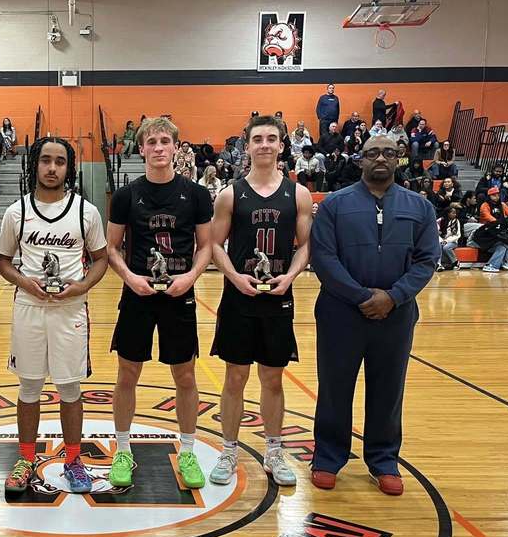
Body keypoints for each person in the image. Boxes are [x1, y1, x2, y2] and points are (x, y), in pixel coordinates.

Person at [309, 135, 438, 496]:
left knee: (388, 389)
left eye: (388, 153)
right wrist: (363, 296)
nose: (380, 158)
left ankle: (384, 461)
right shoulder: (335, 204)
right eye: (372, 153)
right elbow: (324, 258)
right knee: (335, 387)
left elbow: (427, 259)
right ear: (360, 160)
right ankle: (328, 457)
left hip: (395, 315)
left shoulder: (420, 207)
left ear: (399, 159)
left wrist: (393, 297)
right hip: (340, 313)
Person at [105, 116, 214, 490]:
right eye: (151, 142)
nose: (158, 148)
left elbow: (206, 247)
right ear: (142, 149)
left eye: (164, 141)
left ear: (175, 147)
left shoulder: (196, 194)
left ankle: (187, 450)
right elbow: (111, 249)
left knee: (185, 376)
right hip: (137, 294)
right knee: (127, 374)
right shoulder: (125, 195)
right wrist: (131, 278)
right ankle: (123, 449)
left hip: (178, 295)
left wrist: (190, 278)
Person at [0, 137, 108, 494]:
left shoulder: (85, 211)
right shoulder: (18, 212)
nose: (52, 167)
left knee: (69, 387)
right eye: (45, 160)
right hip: (29, 307)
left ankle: (74, 461)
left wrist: (82, 286)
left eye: (59, 161)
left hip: (70, 308)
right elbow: (1, 260)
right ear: (35, 164)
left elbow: (102, 258)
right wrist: (24, 282)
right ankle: (26, 459)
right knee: (29, 386)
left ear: (69, 168)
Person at [209, 115, 313, 488]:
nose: (265, 144)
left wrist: (291, 276)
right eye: (258, 139)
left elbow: (306, 246)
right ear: (248, 146)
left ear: (282, 145)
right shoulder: (230, 194)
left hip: (278, 298)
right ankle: (229, 451)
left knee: (272, 378)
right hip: (239, 298)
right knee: (234, 377)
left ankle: (273, 451)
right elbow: (214, 246)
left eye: (272, 138)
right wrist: (235, 277)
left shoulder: (297, 193)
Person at [476, 186, 508, 273]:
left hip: (499, 230)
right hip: (487, 231)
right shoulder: (485, 205)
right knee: (507, 242)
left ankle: (492, 265)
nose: (496, 197)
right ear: (489, 196)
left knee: (505, 245)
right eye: (493, 195)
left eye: (497, 195)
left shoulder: (502, 205)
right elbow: (489, 218)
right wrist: (502, 223)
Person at [437, 206, 462, 271]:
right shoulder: (440, 220)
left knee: (446, 247)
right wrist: (441, 240)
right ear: (448, 213)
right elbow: (435, 232)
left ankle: (455, 262)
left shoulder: (456, 221)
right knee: (438, 245)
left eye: (455, 213)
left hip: (452, 241)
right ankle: (438, 264)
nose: (455, 214)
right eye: (453, 213)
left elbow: (457, 235)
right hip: (440, 240)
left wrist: (446, 241)